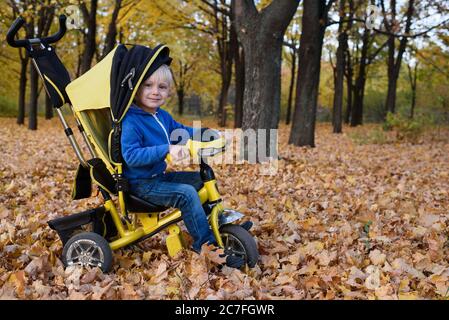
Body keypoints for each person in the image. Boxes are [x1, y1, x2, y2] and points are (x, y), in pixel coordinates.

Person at [121, 63, 244, 268]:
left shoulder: (161, 116)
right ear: (136, 88)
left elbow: (182, 131)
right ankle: (205, 245)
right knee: (186, 193)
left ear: (169, 91)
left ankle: (213, 225)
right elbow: (131, 156)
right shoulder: (131, 121)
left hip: (157, 178)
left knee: (202, 179)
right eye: (148, 85)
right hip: (140, 184)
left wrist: (209, 133)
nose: (155, 92)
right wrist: (166, 149)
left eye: (162, 87)